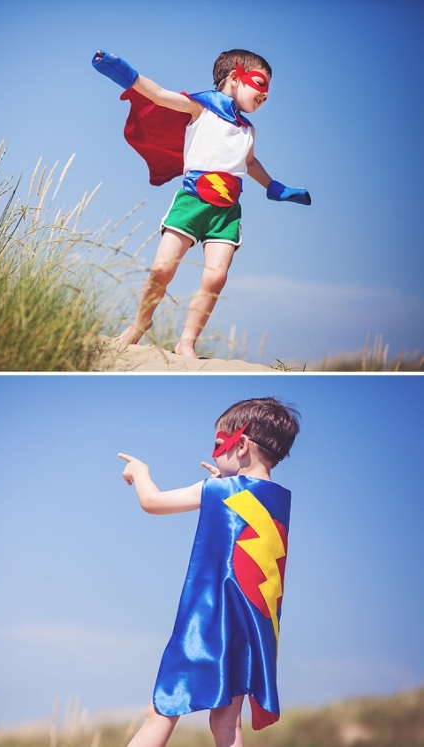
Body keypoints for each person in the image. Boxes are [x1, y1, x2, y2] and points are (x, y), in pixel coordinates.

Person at [92, 49, 311, 358]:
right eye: (261, 83)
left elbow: (249, 162)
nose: (265, 94)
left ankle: (186, 342)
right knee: (162, 270)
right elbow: (158, 94)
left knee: (217, 275)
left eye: (268, 90)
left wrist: (275, 187)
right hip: (192, 200)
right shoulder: (200, 107)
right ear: (235, 77)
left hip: (227, 211)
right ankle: (139, 325)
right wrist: (124, 73)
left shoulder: (248, 130)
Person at [118, 397, 301, 747]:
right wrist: (225, 486)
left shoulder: (220, 490)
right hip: (253, 628)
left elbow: (152, 502)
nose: (215, 455)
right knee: (227, 722)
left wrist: (140, 473)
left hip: (209, 620)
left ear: (242, 444)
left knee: (161, 709)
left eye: (219, 445)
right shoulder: (278, 500)